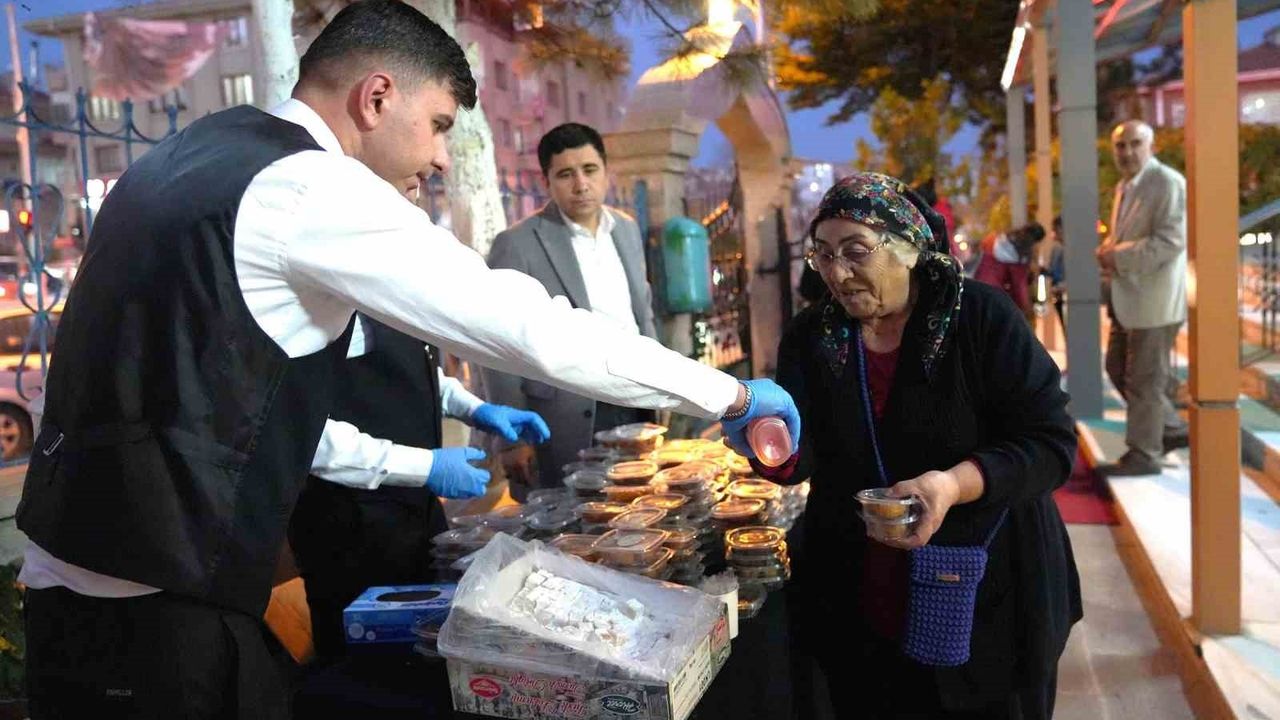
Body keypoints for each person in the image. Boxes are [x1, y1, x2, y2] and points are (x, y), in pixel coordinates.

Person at [15, 3, 799, 717]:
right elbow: (526, 326)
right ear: (377, 97)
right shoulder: (310, 186)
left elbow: (229, 402)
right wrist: (729, 396)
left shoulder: (191, 153)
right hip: (162, 613)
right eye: (438, 124)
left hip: (73, 588)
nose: (441, 158)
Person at [754, 173, 1081, 719]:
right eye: (823, 255)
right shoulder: (814, 337)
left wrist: (952, 485)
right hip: (862, 594)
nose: (837, 272)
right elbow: (802, 456)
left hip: (990, 590)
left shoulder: (980, 318)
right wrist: (765, 436)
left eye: (856, 251)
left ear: (908, 248)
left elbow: (1051, 443)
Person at [288, 312, 549, 660]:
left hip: (416, 511)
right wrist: (425, 466)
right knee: (366, 666)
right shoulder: (300, 314)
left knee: (429, 645)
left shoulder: (384, 295)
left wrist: (474, 409)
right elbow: (304, 434)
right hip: (347, 526)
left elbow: (412, 369)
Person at [485, 122, 658, 499]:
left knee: (639, 507)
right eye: (565, 174)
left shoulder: (625, 230)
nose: (581, 185)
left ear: (606, 172)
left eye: (590, 170)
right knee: (572, 520)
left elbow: (642, 313)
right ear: (546, 181)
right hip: (563, 415)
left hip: (634, 397)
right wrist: (512, 439)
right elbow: (498, 344)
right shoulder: (517, 244)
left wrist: (661, 385)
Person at [1096, 119, 1189, 475]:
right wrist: (1110, 248)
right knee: (1117, 369)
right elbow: (1130, 235)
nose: (1127, 152)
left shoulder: (1167, 182)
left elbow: (1170, 241)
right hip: (1128, 298)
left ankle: (1144, 454)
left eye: (1135, 143)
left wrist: (1116, 256)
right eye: (1121, 145)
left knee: (1145, 380)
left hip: (1155, 301)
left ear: (1152, 146)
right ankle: (1170, 428)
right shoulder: (1126, 186)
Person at [973, 221, 1045, 317]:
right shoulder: (1021, 256)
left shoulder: (992, 239)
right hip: (995, 299)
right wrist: (1026, 310)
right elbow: (1020, 287)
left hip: (978, 290)